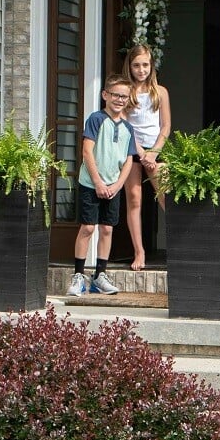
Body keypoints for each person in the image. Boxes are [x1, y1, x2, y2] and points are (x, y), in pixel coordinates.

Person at [67, 74, 135, 297]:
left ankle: (100, 276)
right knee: (88, 228)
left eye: (124, 96)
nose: (120, 100)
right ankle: (78, 275)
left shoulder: (127, 128)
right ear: (105, 95)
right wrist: (97, 182)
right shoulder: (96, 119)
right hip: (91, 184)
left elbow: (128, 160)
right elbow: (87, 151)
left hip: (112, 186)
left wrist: (117, 185)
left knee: (107, 229)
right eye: (116, 95)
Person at [121, 44, 172, 271]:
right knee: (134, 199)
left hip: (156, 150)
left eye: (145, 65)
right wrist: (140, 152)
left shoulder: (160, 92)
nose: (141, 70)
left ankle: (178, 247)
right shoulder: (125, 92)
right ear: (129, 67)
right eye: (136, 65)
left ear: (151, 66)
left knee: (165, 198)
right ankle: (139, 251)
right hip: (132, 150)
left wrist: (154, 152)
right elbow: (124, 126)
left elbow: (166, 126)